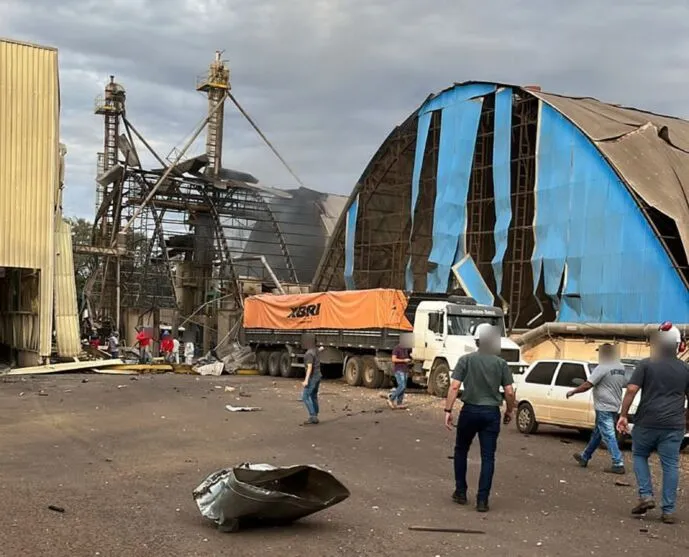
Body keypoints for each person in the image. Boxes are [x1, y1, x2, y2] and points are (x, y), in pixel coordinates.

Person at [617, 322, 689, 524]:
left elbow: (631, 389)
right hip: (674, 425)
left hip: (646, 421)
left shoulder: (646, 364)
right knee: (671, 465)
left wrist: (623, 414)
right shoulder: (685, 369)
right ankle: (668, 510)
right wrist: (685, 421)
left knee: (640, 455)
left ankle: (646, 495)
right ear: (678, 345)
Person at [444, 323, 515, 512]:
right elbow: (509, 391)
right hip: (491, 413)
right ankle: (482, 500)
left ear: (476, 340)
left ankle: (460, 491)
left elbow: (454, 387)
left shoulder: (465, 360)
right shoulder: (501, 363)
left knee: (461, 450)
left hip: (470, 411)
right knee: (488, 457)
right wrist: (509, 411)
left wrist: (448, 410)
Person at [567, 343, 628, 474]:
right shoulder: (620, 367)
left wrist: (573, 391)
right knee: (598, 433)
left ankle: (618, 463)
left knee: (609, 435)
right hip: (614, 404)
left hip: (603, 406)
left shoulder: (602, 367)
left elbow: (588, 385)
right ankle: (585, 456)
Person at [301, 334, 322, 425]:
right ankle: (315, 414)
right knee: (313, 395)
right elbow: (319, 350)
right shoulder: (314, 351)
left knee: (305, 396)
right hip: (318, 376)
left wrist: (306, 380)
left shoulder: (309, 354)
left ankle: (313, 416)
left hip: (312, 377)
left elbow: (309, 367)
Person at [388, 334, 412, 410]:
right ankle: (391, 398)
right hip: (399, 370)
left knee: (403, 388)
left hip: (405, 369)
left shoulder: (405, 349)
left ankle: (399, 403)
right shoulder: (396, 348)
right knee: (402, 386)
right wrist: (403, 360)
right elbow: (393, 359)